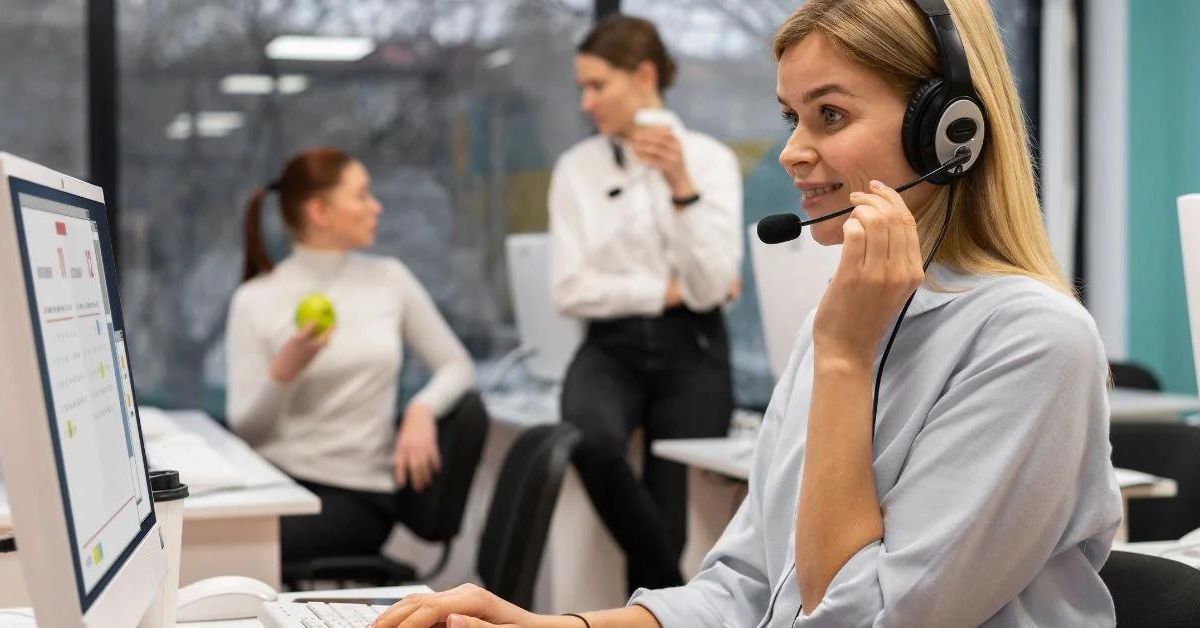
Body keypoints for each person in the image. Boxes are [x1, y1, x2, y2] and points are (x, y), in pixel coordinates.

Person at [371, 0, 1123, 626]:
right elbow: (743, 589)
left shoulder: (1031, 341)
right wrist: (548, 626)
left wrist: (843, 359)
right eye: (792, 115)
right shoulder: (849, 323)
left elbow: (864, 621)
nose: (793, 151)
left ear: (948, 130)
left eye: (829, 114)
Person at [549, 14, 744, 594]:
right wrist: (658, 291)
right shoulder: (576, 170)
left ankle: (650, 606)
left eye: (597, 85)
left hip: (695, 346)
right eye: (581, 88)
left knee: (671, 513)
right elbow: (569, 290)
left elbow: (711, 288)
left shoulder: (709, 162)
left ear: (644, 75)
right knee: (587, 437)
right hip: (611, 346)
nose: (586, 103)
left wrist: (679, 185)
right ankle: (667, 590)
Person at [225, 147, 474, 564]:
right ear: (320, 211)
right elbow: (248, 431)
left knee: (232, 554)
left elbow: (457, 365)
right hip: (275, 484)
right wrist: (283, 373)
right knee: (196, 539)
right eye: (361, 196)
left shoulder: (390, 279)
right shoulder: (255, 299)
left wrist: (421, 408)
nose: (375, 207)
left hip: (357, 496)